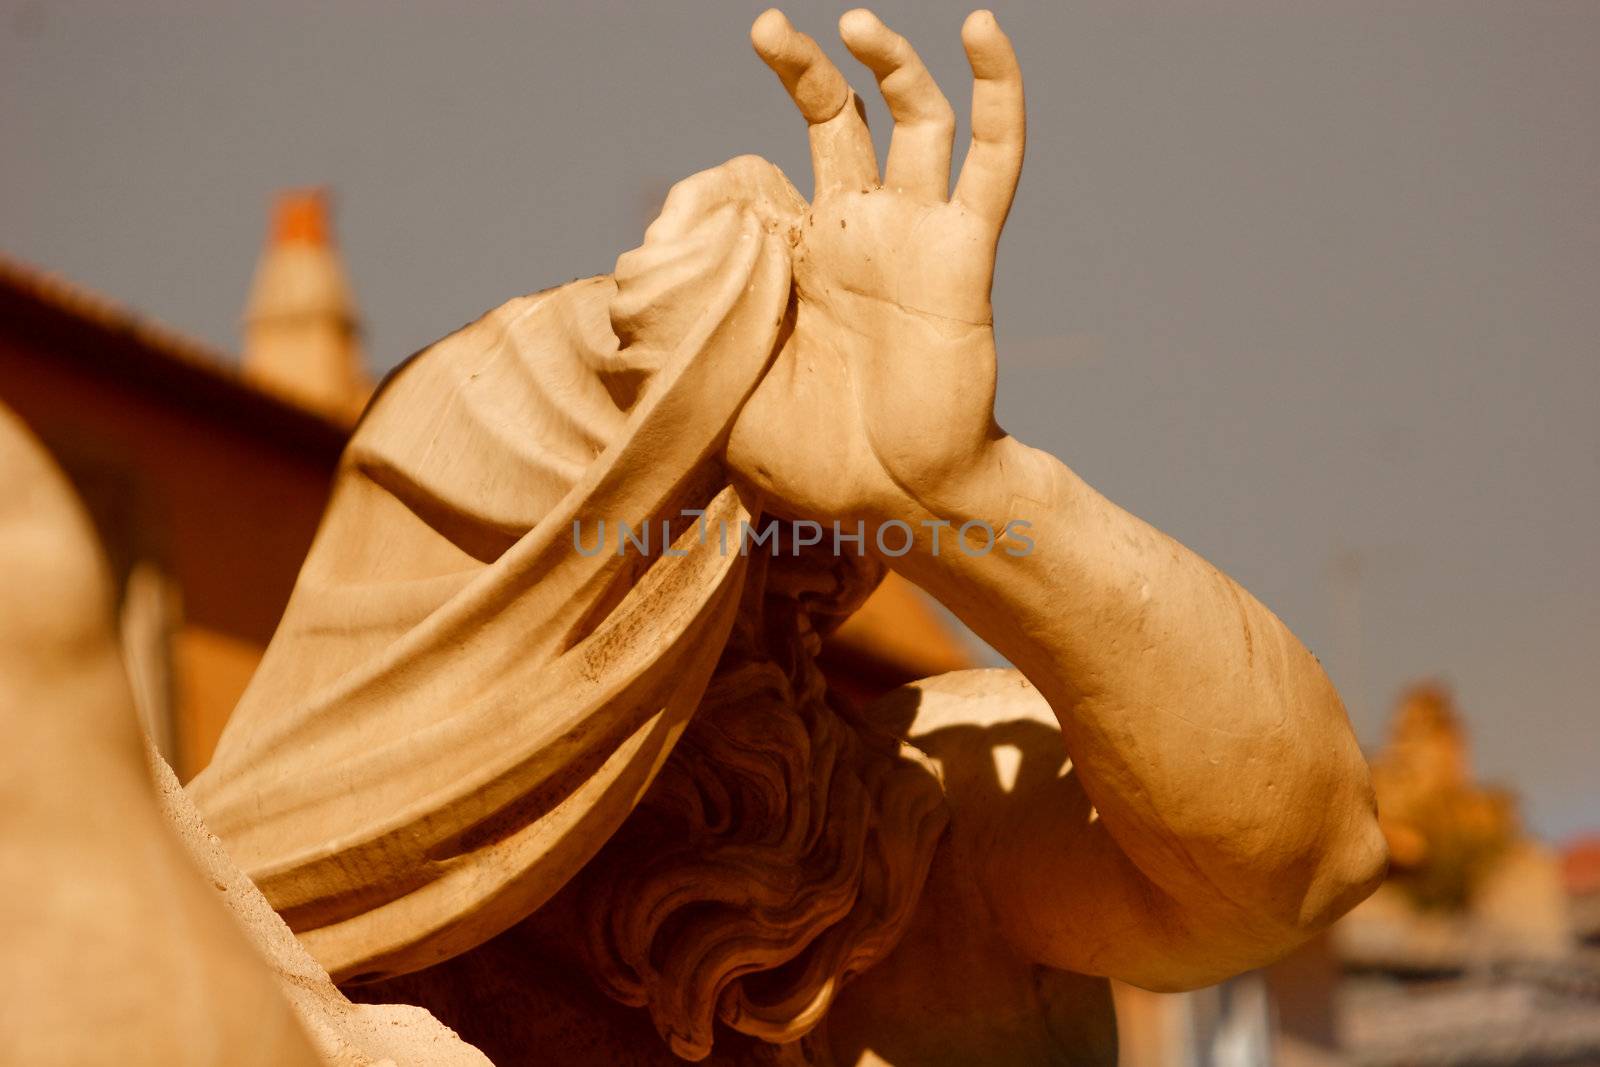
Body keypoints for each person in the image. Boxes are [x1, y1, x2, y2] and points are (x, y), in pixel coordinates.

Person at [192, 9, 1387, 1064]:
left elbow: (1304, 859)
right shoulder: (236, 968)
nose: (749, 651)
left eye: (744, 586)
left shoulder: (901, 832)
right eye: (679, 591)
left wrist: (958, 491)